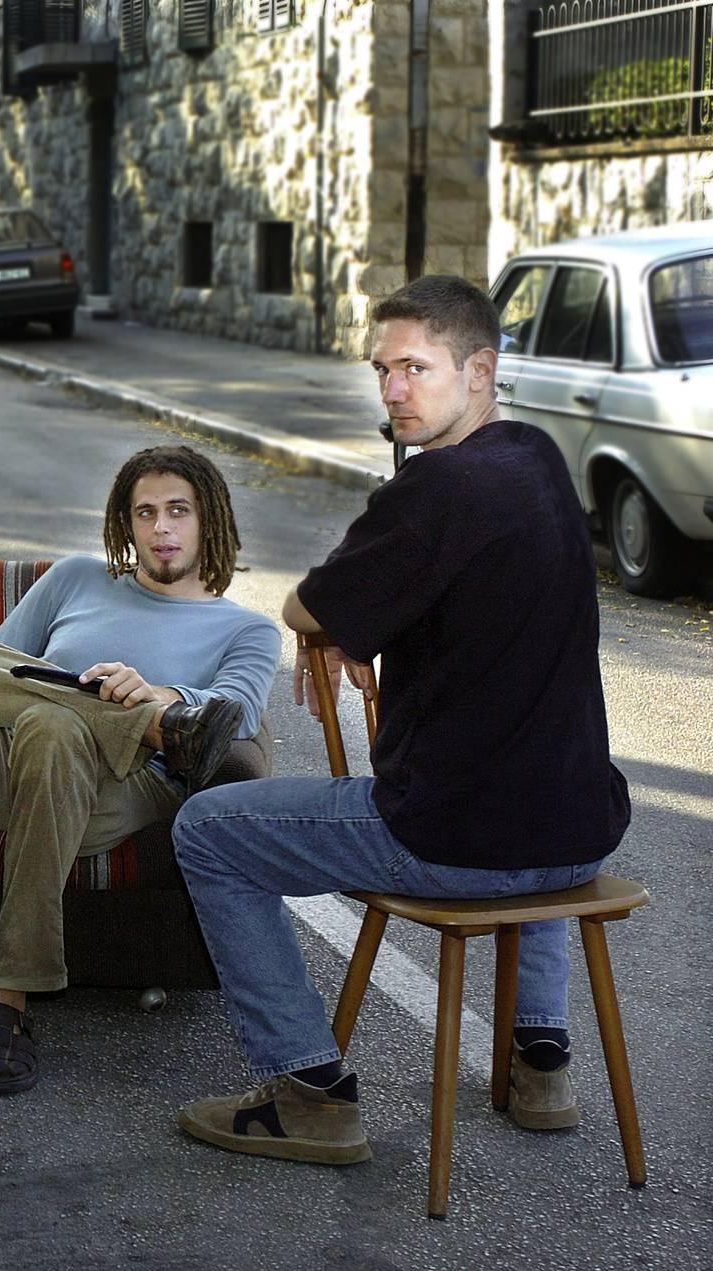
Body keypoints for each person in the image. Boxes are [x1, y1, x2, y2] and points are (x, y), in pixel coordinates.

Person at [170, 275, 629, 1165]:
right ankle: (541, 1061)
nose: (391, 391)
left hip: (451, 838)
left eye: (415, 368)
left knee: (207, 829)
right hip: (583, 831)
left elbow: (305, 607)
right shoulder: (537, 457)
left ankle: (309, 1092)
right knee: (519, 776)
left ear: (480, 369)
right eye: (381, 370)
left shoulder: (435, 491)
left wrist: (341, 622)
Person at [0, 445, 279, 1096]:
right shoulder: (76, 577)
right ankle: (137, 725)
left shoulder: (246, 628)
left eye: (177, 511)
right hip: (2, 764)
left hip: (125, 787)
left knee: (55, 725)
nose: (161, 528)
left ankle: (5, 1003)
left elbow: (235, 712)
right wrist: (105, 699)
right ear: (124, 525)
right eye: (145, 512)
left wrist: (152, 690)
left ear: (208, 520)